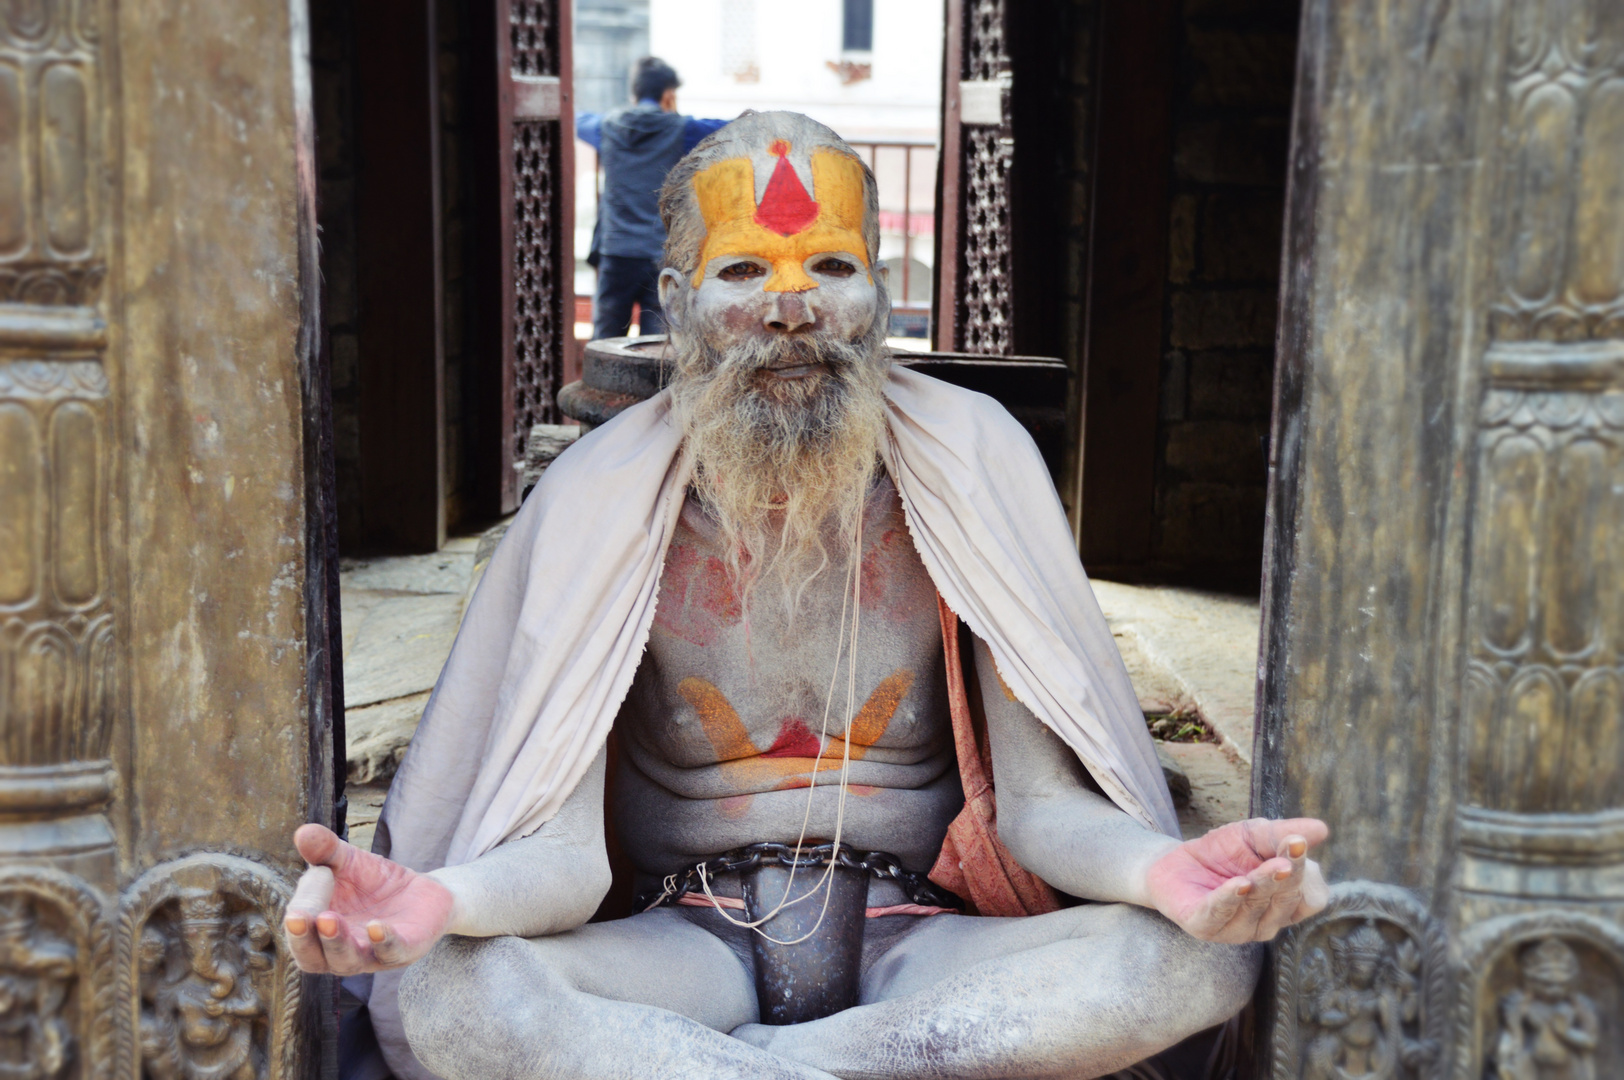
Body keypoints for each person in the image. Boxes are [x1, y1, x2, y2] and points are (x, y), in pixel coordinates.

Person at [283, 112, 1331, 1080]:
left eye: (831, 266)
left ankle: (757, 1066)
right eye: (744, 269)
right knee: (456, 994)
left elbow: (1044, 811)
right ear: (678, 295)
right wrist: (444, 899)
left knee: (1193, 963)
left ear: (880, 291)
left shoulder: (968, 461)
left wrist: (1166, 871)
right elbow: (558, 855)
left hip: (912, 938)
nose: (791, 310)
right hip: (686, 940)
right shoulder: (602, 499)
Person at [577, 56, 728, 341]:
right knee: (657, 342)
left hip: (616, 251)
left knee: (606, 338)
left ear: (634, 92)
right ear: (669, 95)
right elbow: (733, 126)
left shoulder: (606, 127)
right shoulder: (683, 130)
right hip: (660, 255)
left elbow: (573, 117)